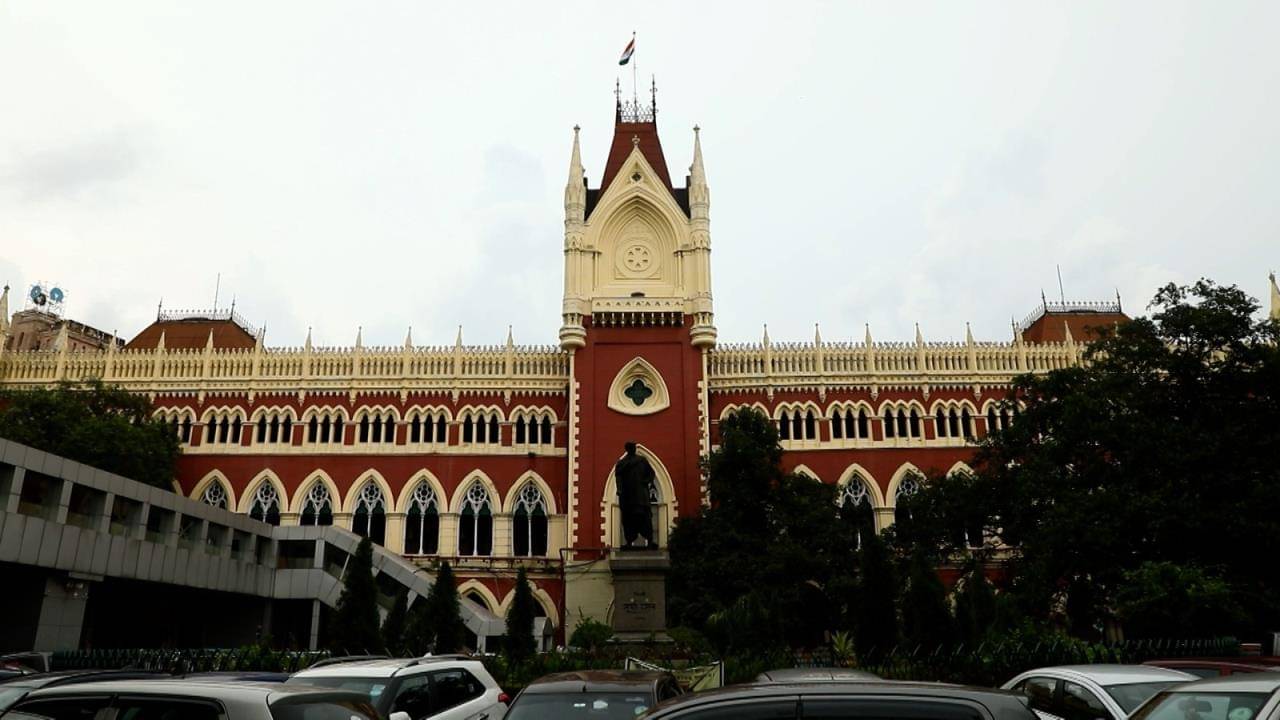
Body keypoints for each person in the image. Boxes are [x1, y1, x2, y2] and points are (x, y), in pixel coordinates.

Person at [614, 441, 656, 549]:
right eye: (630, 448)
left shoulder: (642, 461)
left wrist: (645, 481)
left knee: (645, 518)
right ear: (627, 449)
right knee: (628, 520)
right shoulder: (622, 463)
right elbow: (618, 477)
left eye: (633, 447)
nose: (632, 449)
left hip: (641, 496)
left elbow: (651, 473)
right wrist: (619, 490)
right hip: (628, 497)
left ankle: (650, 541)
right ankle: (629, 541)